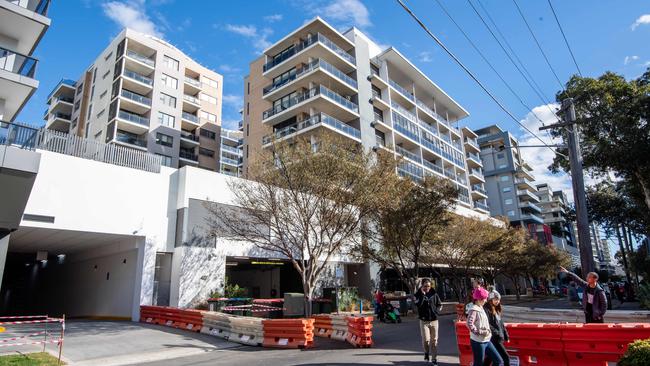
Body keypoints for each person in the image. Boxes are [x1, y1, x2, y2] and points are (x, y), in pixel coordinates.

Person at [467, 287, 503, 366]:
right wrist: (480, 332)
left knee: (499, 361)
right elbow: (469, 324)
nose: (486, 300)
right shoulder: (474, 310)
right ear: (479, 299)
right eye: (485, 298)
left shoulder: (481, 307)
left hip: (486, 340)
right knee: (479, 363)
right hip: (478, 342)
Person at [414, 278, 443, 365]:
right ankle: (426, 353)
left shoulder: (434, 293)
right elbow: (418, 305)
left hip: (434, 320)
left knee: (434, 341)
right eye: (425, 286)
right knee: (426, 340)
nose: (427, 288)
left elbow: (439, 304)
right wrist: (422, 295)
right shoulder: (418, 294)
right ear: (422, 286)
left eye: (429, 286)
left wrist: (437, 311)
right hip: (424, 321)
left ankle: (434, 359)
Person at [483, 291, 510, 366]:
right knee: (506, 358)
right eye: (495, 299)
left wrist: (506, 335)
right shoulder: (487, 309)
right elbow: (487, 324)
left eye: (498, 299)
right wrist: (497, 333)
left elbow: (501, 324)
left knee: (490, 358)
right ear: (490, 299)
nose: (497, 301)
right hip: (494, 338)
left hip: (499, 337)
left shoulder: (497, 309)